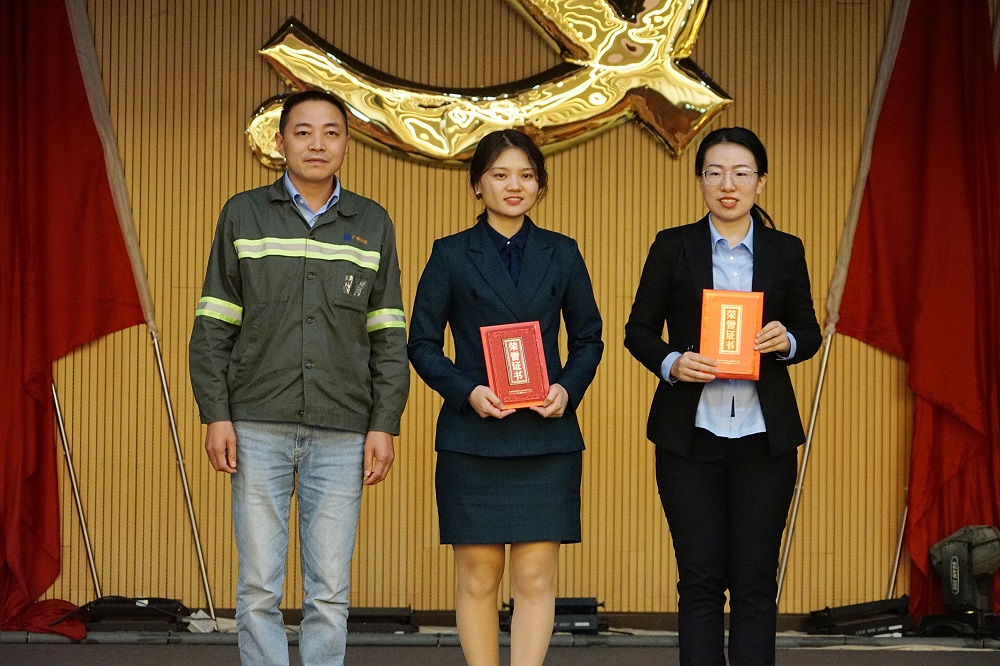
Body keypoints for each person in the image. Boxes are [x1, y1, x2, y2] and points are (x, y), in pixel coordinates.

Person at [188, 89, 409, 666]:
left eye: (331, 132)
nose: (317, 143)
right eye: (303, 131)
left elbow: (389, 334)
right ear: (281, 141)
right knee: (258, 585)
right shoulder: (244, 214)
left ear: (347, 143)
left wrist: (384, 424)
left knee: (329, 589)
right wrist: (216, 414)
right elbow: (214, 322)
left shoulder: (371, 222)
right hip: (256, 424)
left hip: (342, 428)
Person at [624, 127, 822, 665]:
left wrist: (787, 340)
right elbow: (638, 330)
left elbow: (809, 331)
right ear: (700, 181)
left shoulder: (785, 250)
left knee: (756, 584)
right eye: (714, 173)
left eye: (740, 173)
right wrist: (672, 362)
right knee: (700, 582)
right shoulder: (672, 246)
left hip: (764, 438)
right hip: (690, 437)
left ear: (761, 181)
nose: (727, 185)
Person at [408, 129, 603, 666]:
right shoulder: (450, 254)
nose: (514, 185)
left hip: (547, 435)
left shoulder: (562, 252)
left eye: (526, 175)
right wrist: (466, 391)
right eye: (500, 175)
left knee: (535, 576)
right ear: (478, 184)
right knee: (478, 575)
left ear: (539, 185)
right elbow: (421, 343)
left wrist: (567, 388)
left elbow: (589, 337)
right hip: (473, 436)